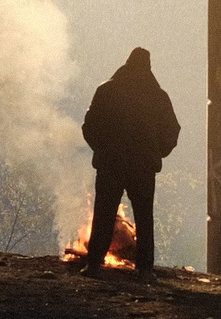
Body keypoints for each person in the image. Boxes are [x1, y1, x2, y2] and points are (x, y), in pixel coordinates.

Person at [74, 46, 180, 277]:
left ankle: (94, 264)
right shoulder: (158, 97)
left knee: (104, 212)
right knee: (144, 216)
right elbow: (173, 130)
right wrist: (156, 153)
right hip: (143, 166)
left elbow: (89, 126)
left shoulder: (106, 91)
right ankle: (144, 269)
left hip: (111, 163)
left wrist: (101, 149)